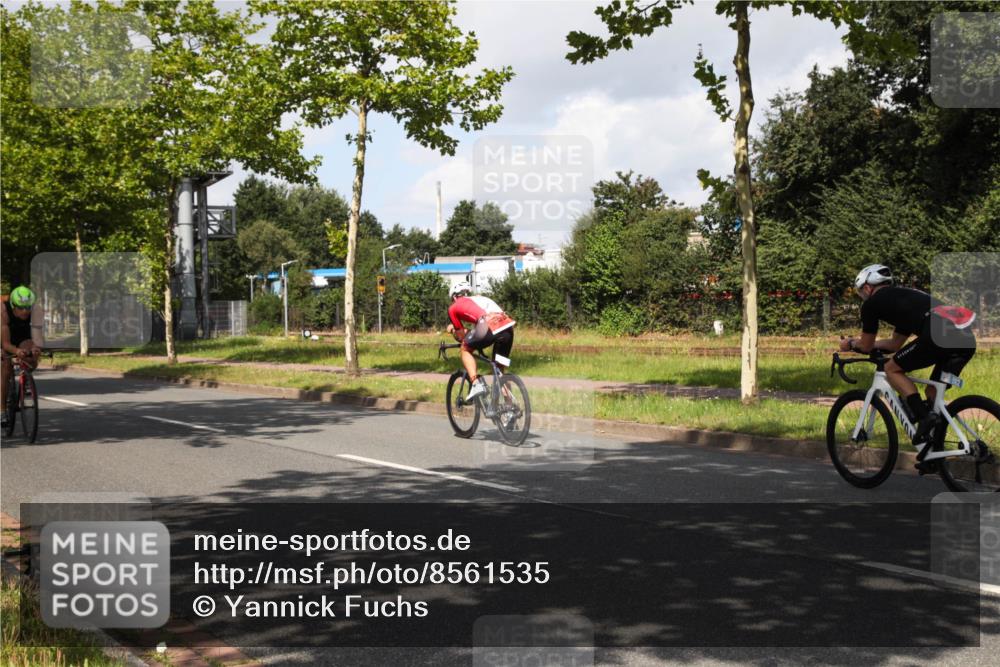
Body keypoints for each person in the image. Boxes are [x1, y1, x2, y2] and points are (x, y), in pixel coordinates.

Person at [839, 264, 976, 463]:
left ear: (867, 287)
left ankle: (923, 418)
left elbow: (866, 346)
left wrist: (850, 344)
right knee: (932, 394)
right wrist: (869, 345)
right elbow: (894, 344)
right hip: (964, 339)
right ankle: (935, 450)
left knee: (891, 368)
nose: (863, 297)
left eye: (861, 292)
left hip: (936, 335)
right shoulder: (904, 300)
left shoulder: (871, 304)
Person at [446, 281, 516, 400]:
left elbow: (462, 336)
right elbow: (480, 330)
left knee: (465, 349)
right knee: (499, 370)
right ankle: (510, 408)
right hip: (508, 328)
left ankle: (475, 383)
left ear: (454, 296)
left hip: (488, 324)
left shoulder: (453, 308)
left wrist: (452, 330)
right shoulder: (481, 299)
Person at [2, 286, 44, 425]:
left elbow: (37, 335)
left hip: (22, 334)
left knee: (32, 358)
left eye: (28, 307)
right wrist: (16, 352)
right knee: (6, 368)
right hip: (4, 336)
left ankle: (25, 378)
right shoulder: (3, 311)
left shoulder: (35, 310)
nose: (25, 311)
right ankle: (1, 410)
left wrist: (35, 348)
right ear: (13, 305)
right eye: (21, 307)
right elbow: (6, 344)